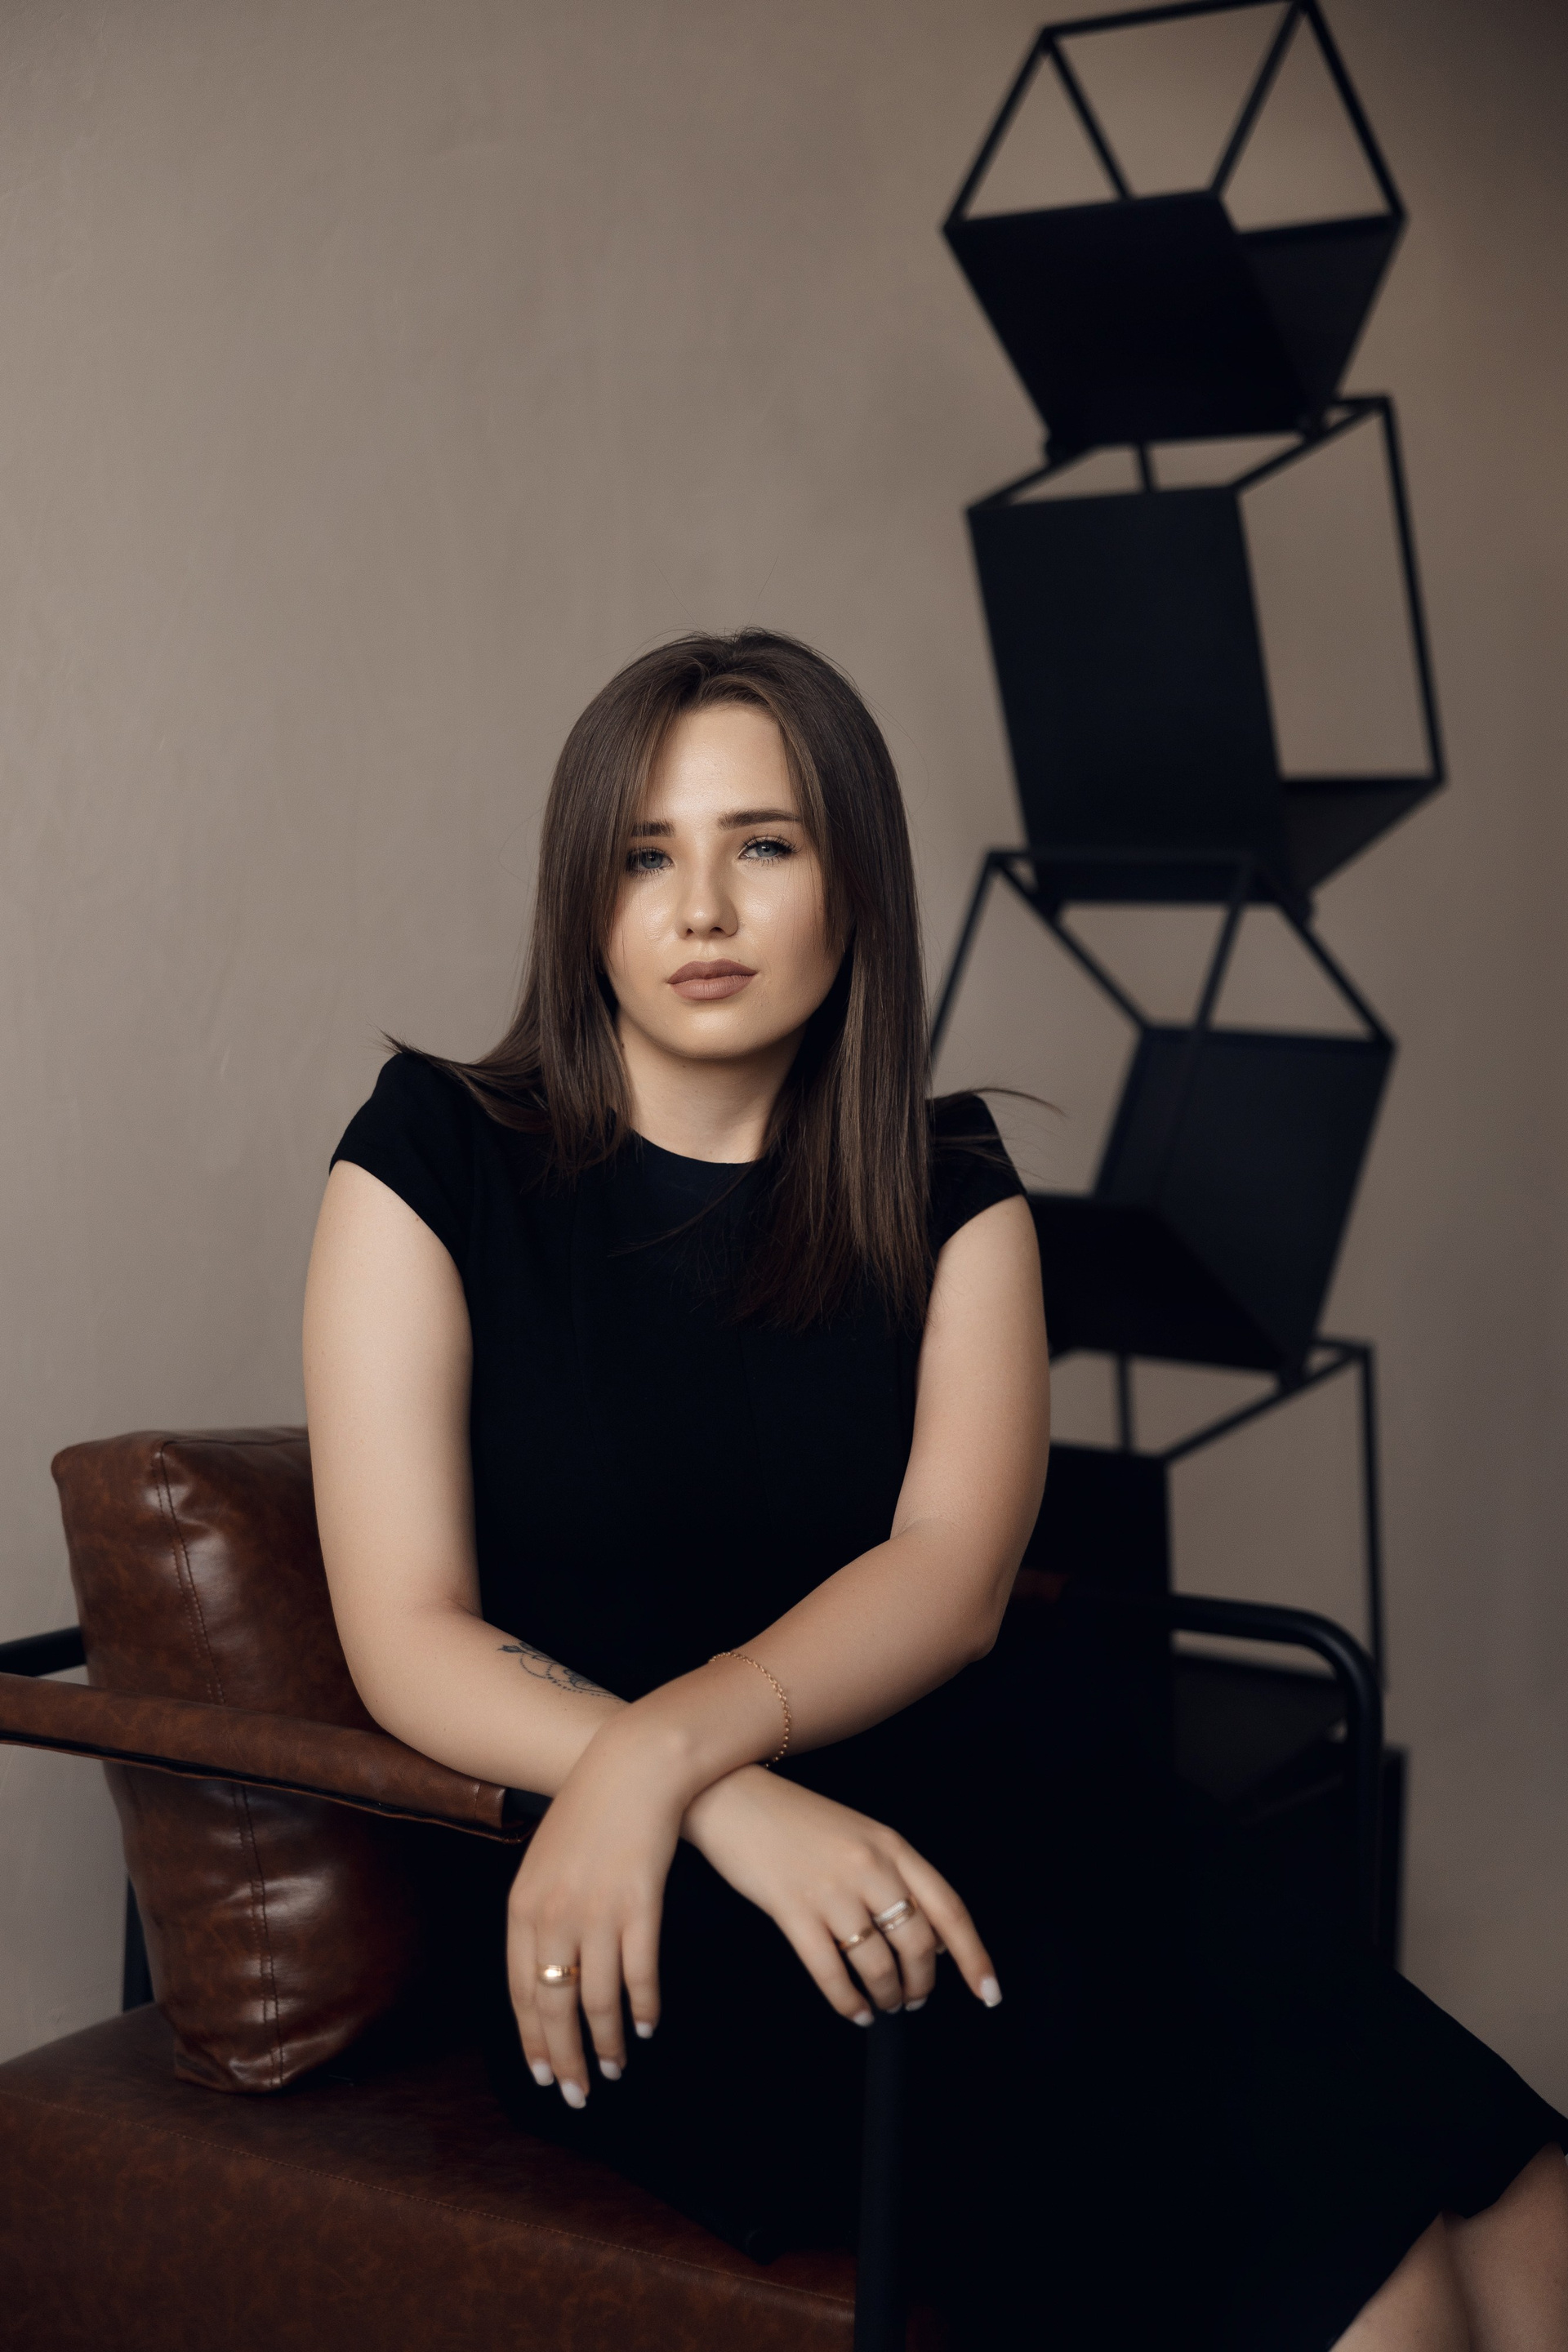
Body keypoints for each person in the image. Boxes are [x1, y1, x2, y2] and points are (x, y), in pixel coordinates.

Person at [303, 629, 1568, 2350]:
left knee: (1503, 2189)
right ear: (581, 895)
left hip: (976, 1809)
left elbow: (951, 1577)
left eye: (763, 844)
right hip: (641, 1904)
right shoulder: (433, 1155)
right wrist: (708, 1802)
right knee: (1373, 2251)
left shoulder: (950, 1184)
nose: (701, 910)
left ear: (854, 884)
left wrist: (677, 1750)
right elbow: (405, 1631)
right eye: (645, 855)